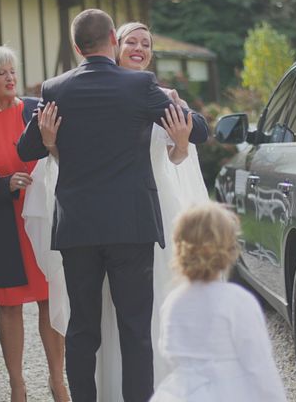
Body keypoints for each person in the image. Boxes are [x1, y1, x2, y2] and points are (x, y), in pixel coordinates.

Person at [18, 9, 209, 402]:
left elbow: (26, 149)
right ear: (112, 38)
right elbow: (199, 131)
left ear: (76, 46)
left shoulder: (56, 89)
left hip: (78, 228)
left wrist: (48, 136)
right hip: (131, 227)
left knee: (82, 330)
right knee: (136, 330)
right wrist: (178, 110)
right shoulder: (140, 87)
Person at [94, 22, 209, 401]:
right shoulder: (99, 92)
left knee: (161, 299)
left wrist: (179, 132)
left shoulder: (157, 96)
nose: (139, 48)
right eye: (131, 42)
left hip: (156, 208)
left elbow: (185, 146)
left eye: (145, 43)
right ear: (115, 46)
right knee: (114, 309)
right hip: (109, 216)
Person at [0, 46, 69, 402]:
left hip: (45, 219)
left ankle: (57, 380)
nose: (10, 77)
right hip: (2, 226)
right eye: (1, 72)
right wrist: (4, 186)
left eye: (12, 70)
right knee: (9, 304)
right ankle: (17, 385)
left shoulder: (39, 109)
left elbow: (66, 150)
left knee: (50, 299)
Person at [150, 202, 287, 402]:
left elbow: (168, 351)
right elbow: (260, 366)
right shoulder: (238, 301)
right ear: (229, 249)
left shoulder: (172, 302)